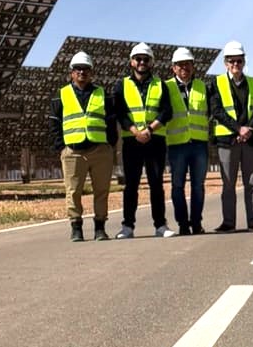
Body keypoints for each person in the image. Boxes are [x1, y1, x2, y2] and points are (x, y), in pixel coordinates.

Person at [48, 51, 117, 242]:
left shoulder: (102, 94)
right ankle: (76, 227)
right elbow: (54, 123)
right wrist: (61, 147)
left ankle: (100, 228)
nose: (82, 72)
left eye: (85, 69)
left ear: (91, 72)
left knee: (101, 190)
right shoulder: (61, 95)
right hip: (73, 151)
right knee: (73, 191)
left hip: (99, 150)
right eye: (78, 69)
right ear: (71, 72)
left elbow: (111, 121)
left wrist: (109, 145)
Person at [114, 42, 175, 239]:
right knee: (131, 185)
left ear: (151, 62)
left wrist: (148, 130)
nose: (141, 62)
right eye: (138, 59)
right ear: (131, 62)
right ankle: (127, 226)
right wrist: (135, 132)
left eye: (145, 59)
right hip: (132, 141)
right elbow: (120, 112)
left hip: (154, 139)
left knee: (156, 184)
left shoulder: (160, 84)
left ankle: (160, 225)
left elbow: (166, 111)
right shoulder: (122, 85)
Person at [208, 40, 253, 232]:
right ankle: (228, 223)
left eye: (239, 61)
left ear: (244, 61)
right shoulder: (216, 83)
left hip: (250, 140)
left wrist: (248, 129)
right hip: (227, 141)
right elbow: (216, 110)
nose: (235, 64)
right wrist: (238, 129)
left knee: (251, 183)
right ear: (225, 63)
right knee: (228, 184)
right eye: (231, 61)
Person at [165, 47, 209, 236]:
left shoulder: (202, 86)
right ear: (173, 68)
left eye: (187, 64)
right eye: (180, 64)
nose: (184, 67)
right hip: (177, 144)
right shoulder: (166, 87)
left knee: (198, 186)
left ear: (193, 66)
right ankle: (183, 224)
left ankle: (196, 223)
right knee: (177, 186)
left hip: (199, 143)